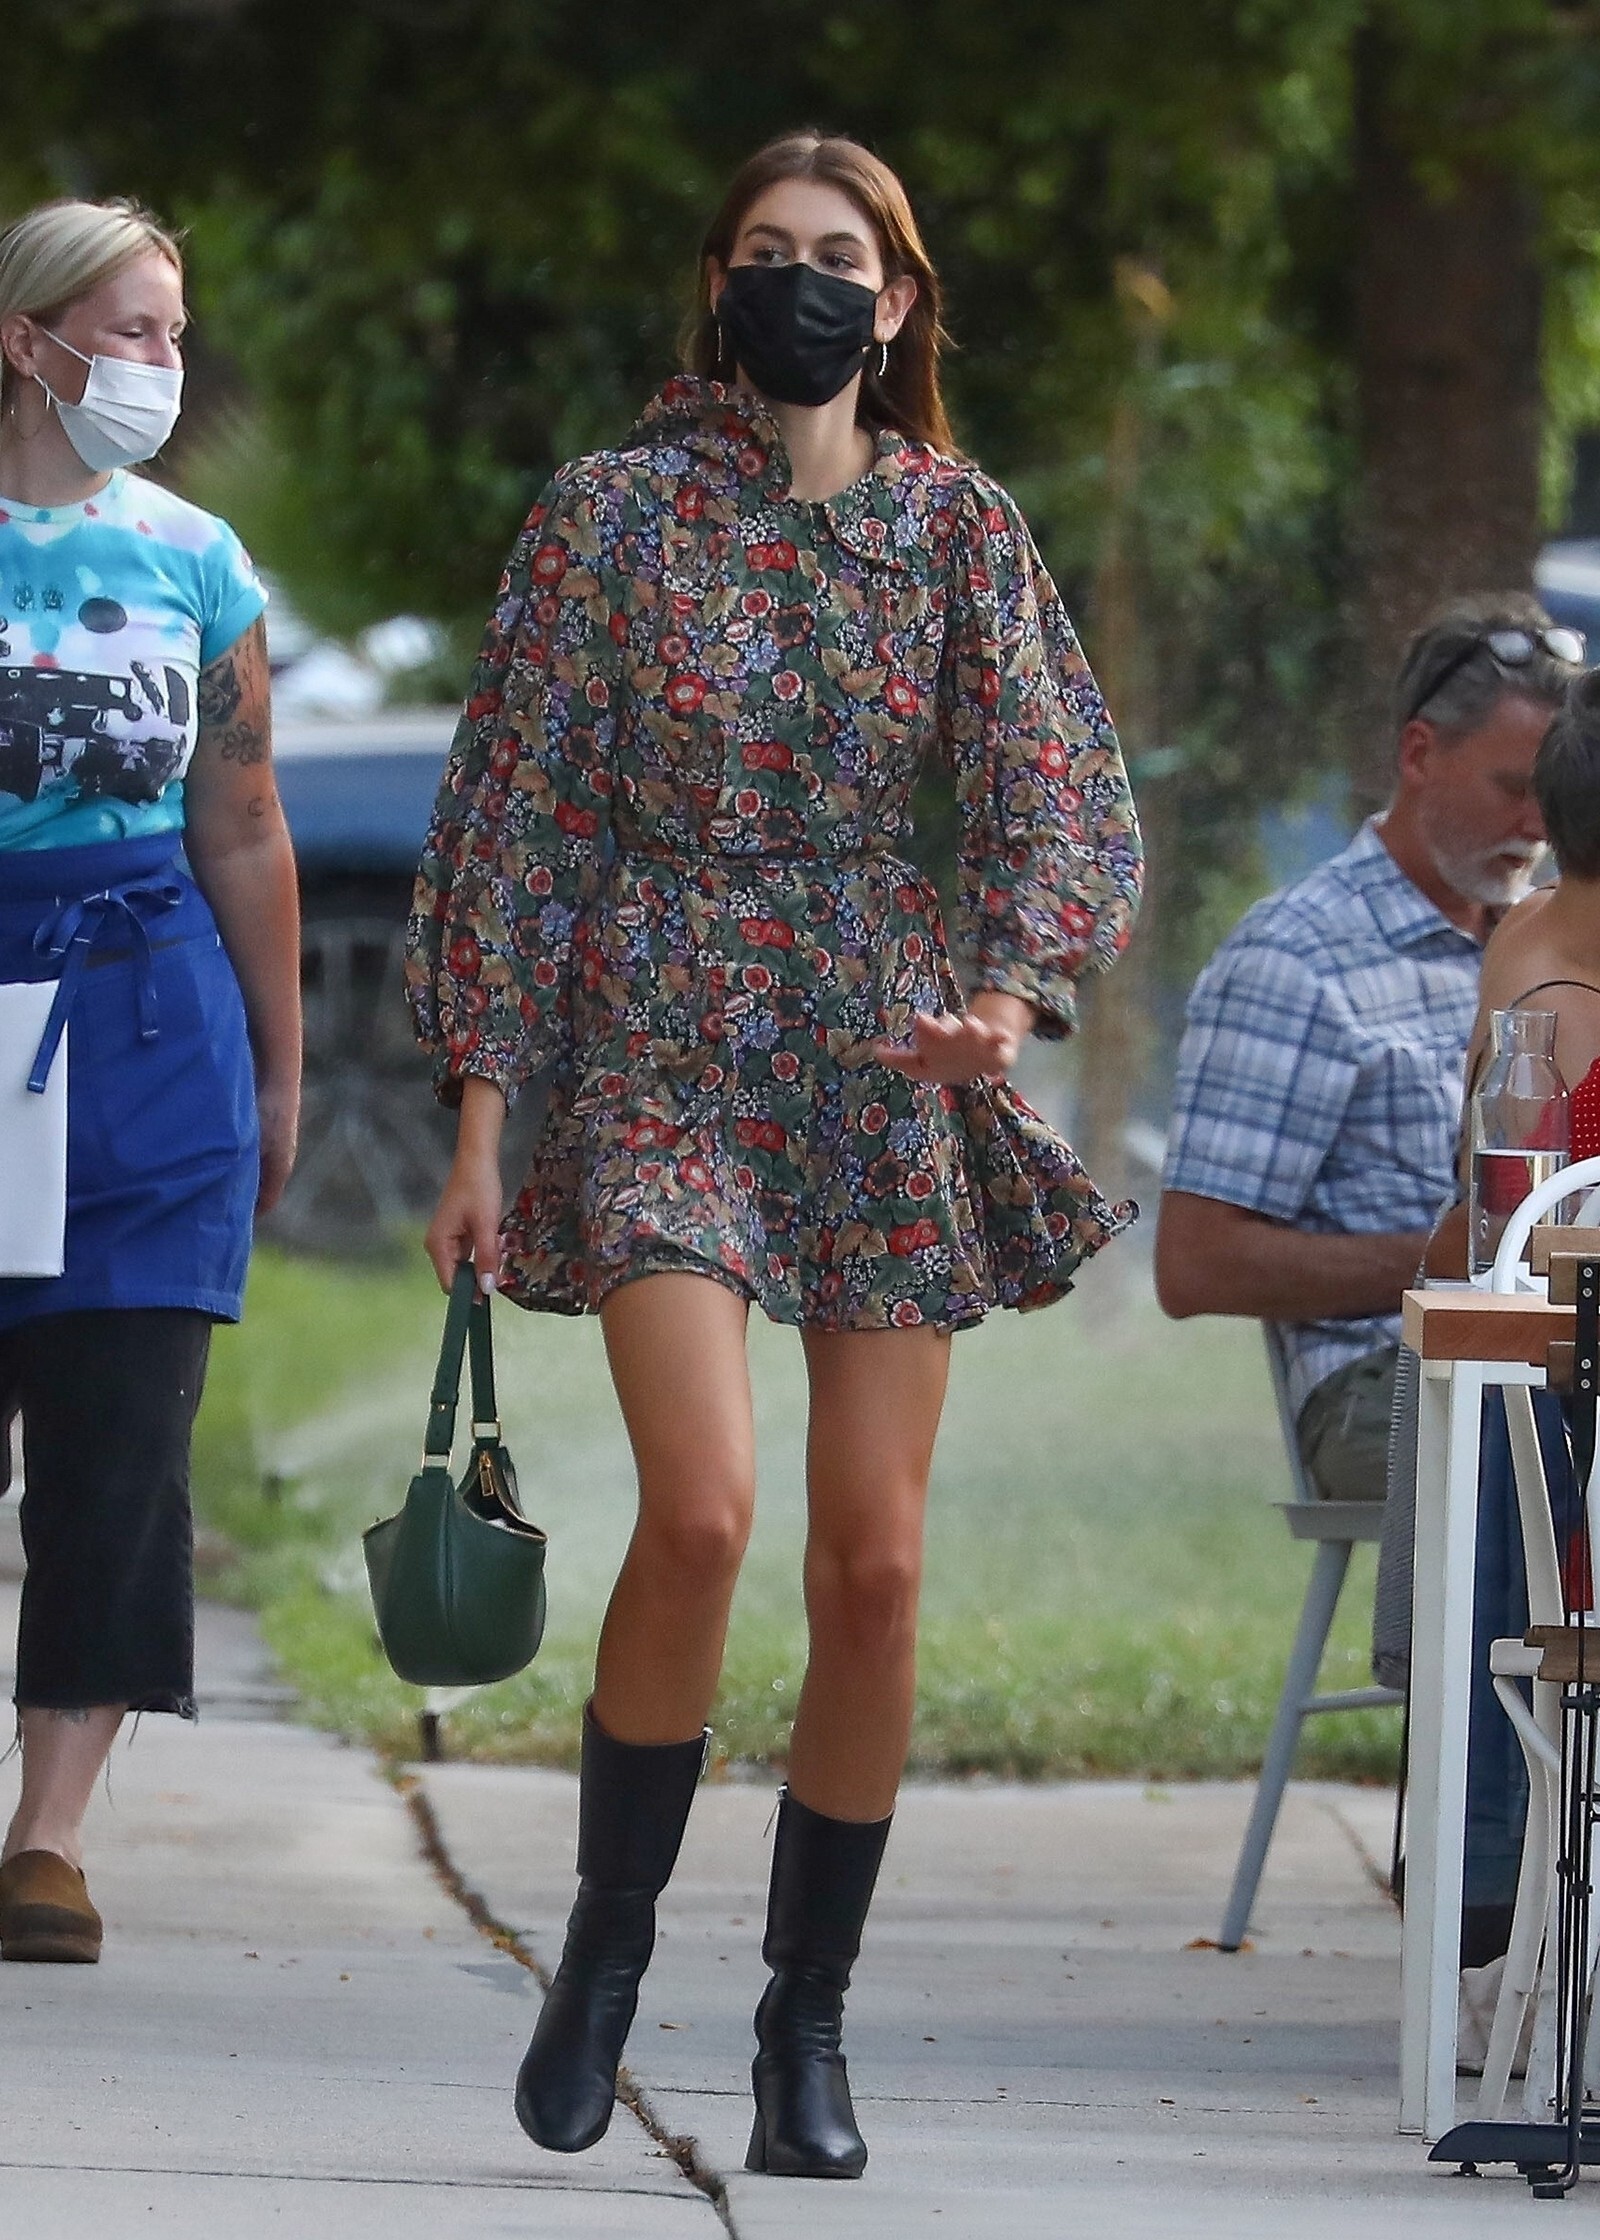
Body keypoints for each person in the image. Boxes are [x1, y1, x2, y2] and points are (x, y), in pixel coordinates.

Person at [408, 130, 1142, 2179]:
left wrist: (1006, 1001)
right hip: (658, 1033)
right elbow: (519, 814)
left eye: (835, 255)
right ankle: (606, 1950)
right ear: (717, 284)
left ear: (893, 303)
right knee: (706, 1509)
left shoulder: (957, 528)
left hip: (876, 1049)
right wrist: (483, 1120)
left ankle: (804, 2021)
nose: (796, 282)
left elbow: (1055, 792)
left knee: (875, 1564)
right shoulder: (609, 516)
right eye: (761, 249)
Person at [1155, 596, 1583, 1970]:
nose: (1538, 821)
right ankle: (1483, 1875)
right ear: (1417, 753)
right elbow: (1192, 1262)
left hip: (1543, 1341)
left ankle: (1521, 1868)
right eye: (1512, 786)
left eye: (1555, 793)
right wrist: (1453, 1258)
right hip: (1372, 1378)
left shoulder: (1561, 932)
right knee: (1530, 1427)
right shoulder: (1298, 957)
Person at [0, 200, 300, 1964]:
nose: (161, 367)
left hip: (144, 1031)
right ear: (27, 339)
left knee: (120, 1444)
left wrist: (278, 1064)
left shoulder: (199, 557)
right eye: (129, 332)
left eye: (174, 333)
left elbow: (243, 824)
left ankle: (47, 1839)